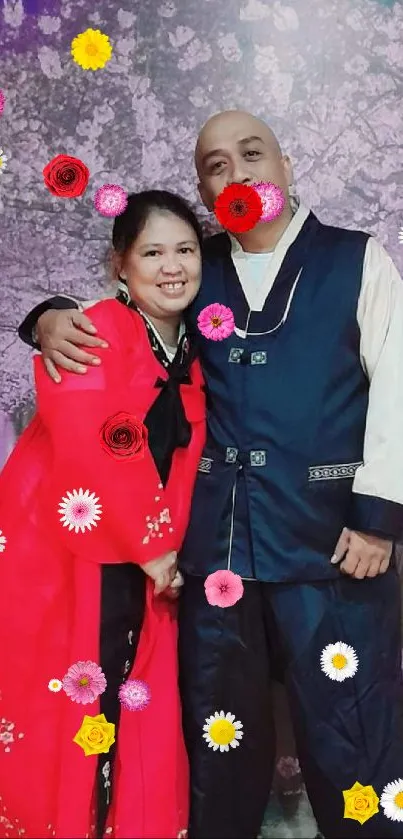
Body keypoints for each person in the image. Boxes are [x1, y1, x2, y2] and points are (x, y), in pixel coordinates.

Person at [18, 110, 403, 839]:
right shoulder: (198, 268)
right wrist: (47, 315)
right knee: (216, 742)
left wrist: (378, 515)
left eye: (251, 154)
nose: (237, 174)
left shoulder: (355, 260)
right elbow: (129, 318)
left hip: (332, 544)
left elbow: (399, 383)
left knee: (353, 728)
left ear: (286, 166)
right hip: (216, 554)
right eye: (215, 166)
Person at [0, 190, 206, 839]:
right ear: (120, 264)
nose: (171, 266)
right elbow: (94, 443)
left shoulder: (194, 342)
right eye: (152, 251)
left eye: (184, 250)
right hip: (73, 555)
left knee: (131, 701)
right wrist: (154, 553)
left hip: (147, 561)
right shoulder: (93, 327)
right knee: (73, 702)